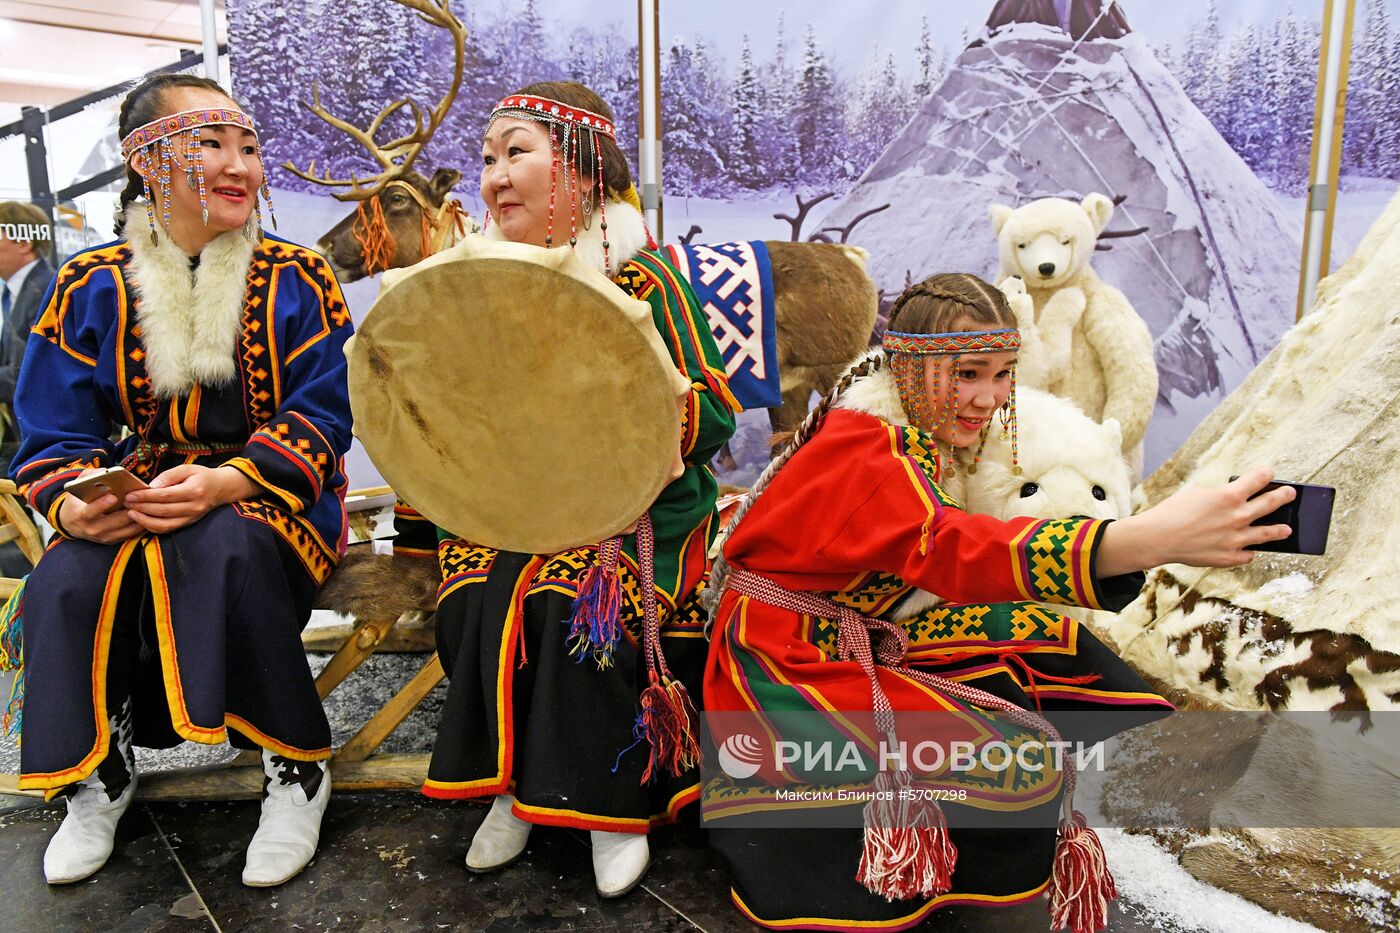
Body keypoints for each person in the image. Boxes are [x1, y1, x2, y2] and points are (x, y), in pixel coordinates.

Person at [702, 273, 1295, 932]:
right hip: (788, 654)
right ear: (910, 366)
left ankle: (1128, 767)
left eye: (1003, 373)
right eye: (968, 374)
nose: (988, 397)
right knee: (1017, 769)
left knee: (1049, 638)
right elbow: (955, 548)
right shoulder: (866, 448)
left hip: (865, 623)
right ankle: (905, 868)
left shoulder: (919, 416)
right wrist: (1147, 540)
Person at [7, 73, 353, 888]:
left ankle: (293, 765)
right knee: (65, 574)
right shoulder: (90, 282)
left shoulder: (300, 276)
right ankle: (97, 774)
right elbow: (51, 429)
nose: (241, 166)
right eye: (212, 144)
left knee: (223, 542)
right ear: (148, 162)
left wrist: (229, 480)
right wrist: (73, 500)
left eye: (250, 146)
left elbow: (326, 416)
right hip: (147, 484)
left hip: (273, 494)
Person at [420, 81, 737, 897]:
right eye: (488, 157)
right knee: (469, 600)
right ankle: (515, 787)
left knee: (569, 607)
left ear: (587, 174)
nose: (494, 174)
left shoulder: (647, 278)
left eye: (517, 151)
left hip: (634, 514)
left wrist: (660, 417)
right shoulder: (475, 282)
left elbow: (717, 412)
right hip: (517, 508)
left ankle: (607, 806)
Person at [0, 202, 55, 576]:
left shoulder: (42, 289)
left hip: (45, 447)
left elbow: (26, 374)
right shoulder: (18, 292)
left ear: (24, 242)